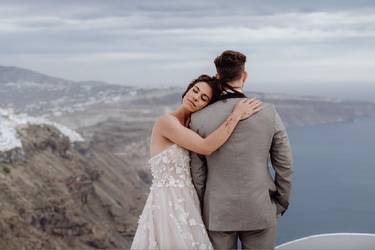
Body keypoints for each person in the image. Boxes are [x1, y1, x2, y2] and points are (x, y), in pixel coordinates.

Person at [130, 74, 263, 249]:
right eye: (195, 90)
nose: (195, 97)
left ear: (207, 106)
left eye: (203, 98)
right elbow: (206, 147)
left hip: (189, 201)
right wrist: (236, 115)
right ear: (187, 90)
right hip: (166, 203)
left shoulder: (191, 126)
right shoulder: (166, 122)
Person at [190, 50, 294, 250]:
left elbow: (198, 173)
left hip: (218, 211)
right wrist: (280, 202)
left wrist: (206, 206)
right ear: (244, 76)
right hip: (260, 207)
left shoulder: (198, 119)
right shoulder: (268, 112)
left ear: (218, 78)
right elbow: (285, 164)